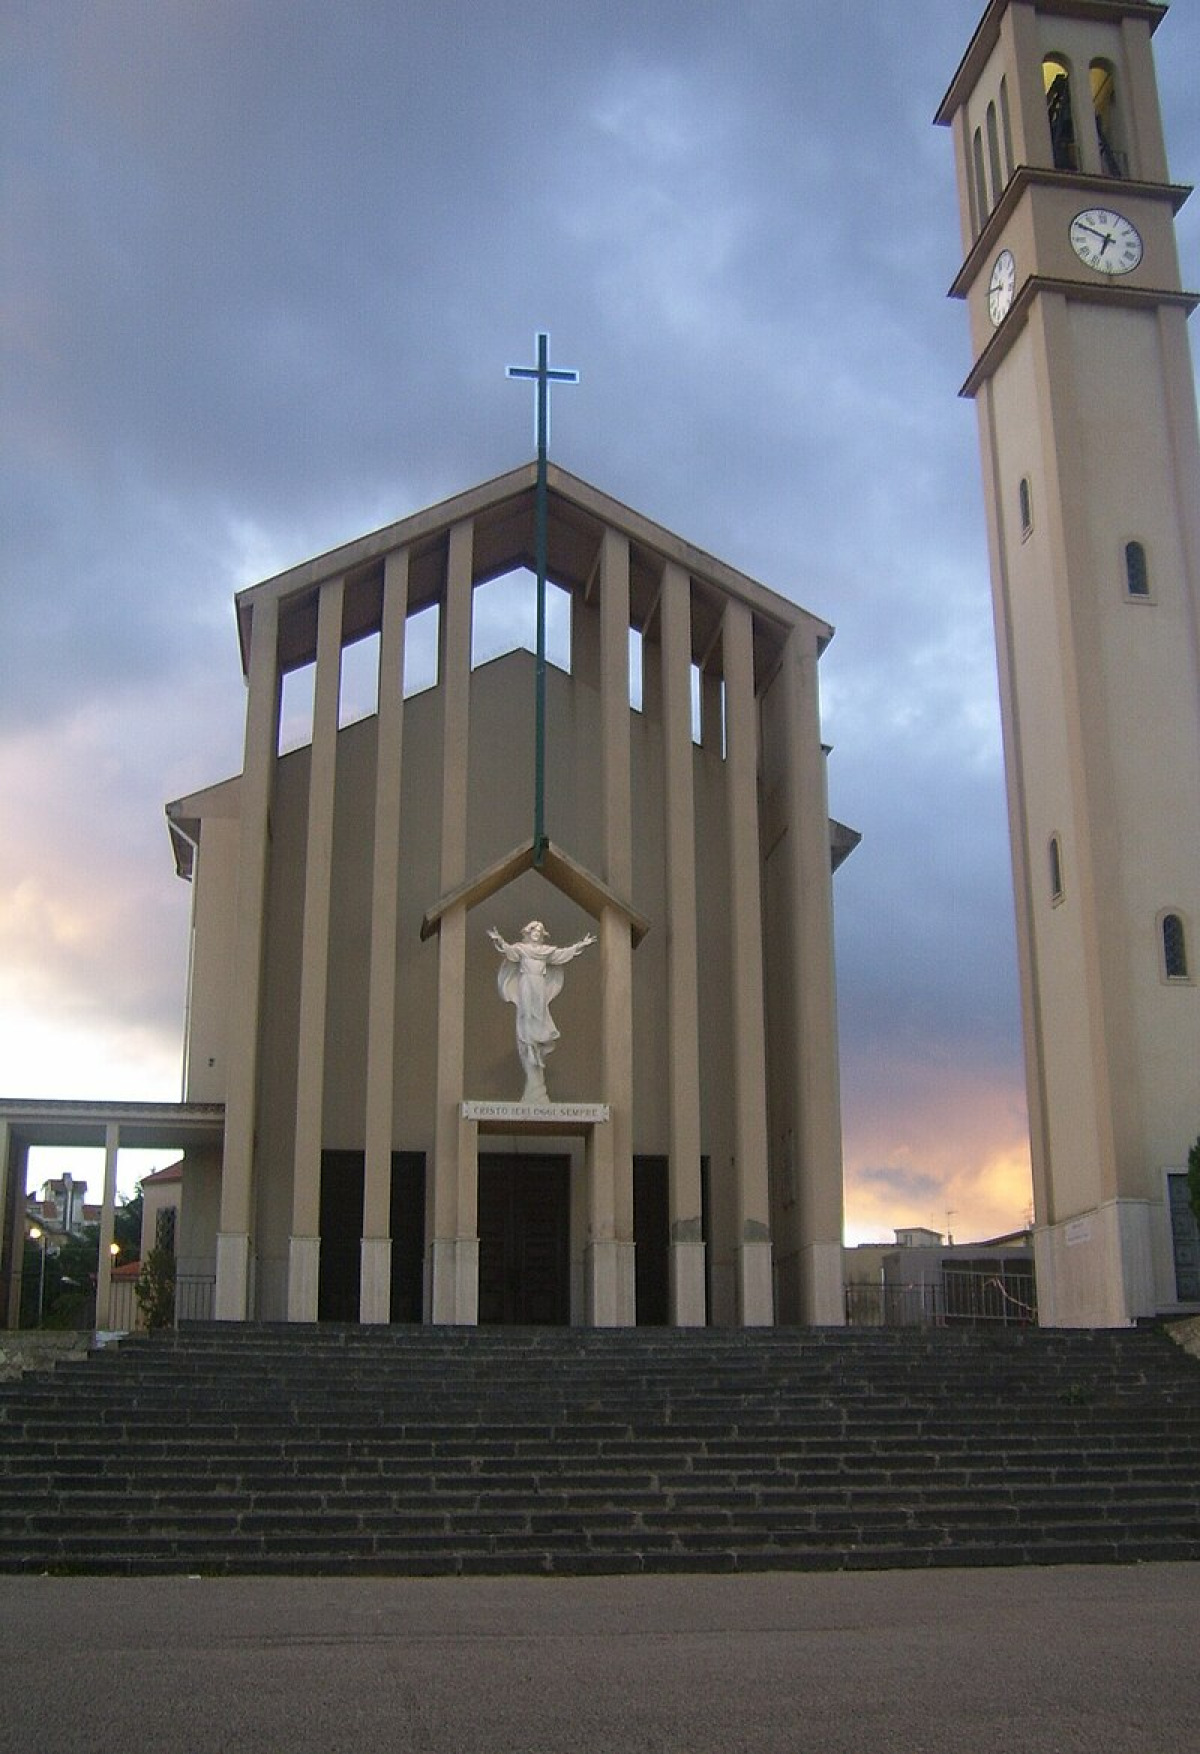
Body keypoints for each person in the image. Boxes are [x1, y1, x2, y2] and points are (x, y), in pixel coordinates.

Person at [488, 920, 595, 1104]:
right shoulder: (522, 949)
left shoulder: (546, 952)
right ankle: (530, 1051)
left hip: (539, 987)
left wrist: (581, 945)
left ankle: (537, 1050)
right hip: (526, 987)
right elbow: (510, 952)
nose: (536, 933)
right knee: (526, 1021)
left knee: (539, 1019)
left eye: (539, 931)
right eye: (533, 930)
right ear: (528, 932)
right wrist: (499, 940)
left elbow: (562, 954)